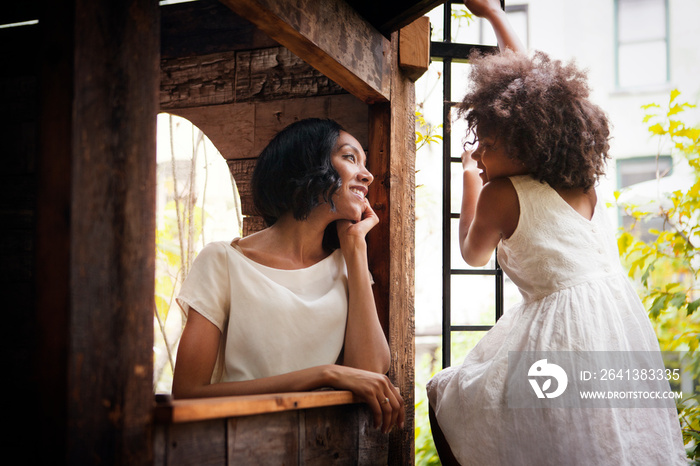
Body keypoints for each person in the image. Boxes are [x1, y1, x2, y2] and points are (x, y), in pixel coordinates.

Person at [426, 0, 687, 464]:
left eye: (487, 146)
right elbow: (530, 88)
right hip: (617, 326)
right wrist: (496, 15)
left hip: (561, 333)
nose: (480, 154)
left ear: (525, 139)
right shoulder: (580, 180)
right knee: (607, 443)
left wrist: (468, 177)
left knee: (447, 392)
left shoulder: (501, 193)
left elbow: (472, 253)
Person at [172, 118, 404, 434]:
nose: (368, 175)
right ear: (309, 164)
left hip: (322, 448)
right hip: (235, 446)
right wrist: (324, 374)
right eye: (350, 158)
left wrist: (355, 249)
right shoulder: (222, 261)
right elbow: (186, 394)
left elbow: (369, 372)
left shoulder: (347, 265)